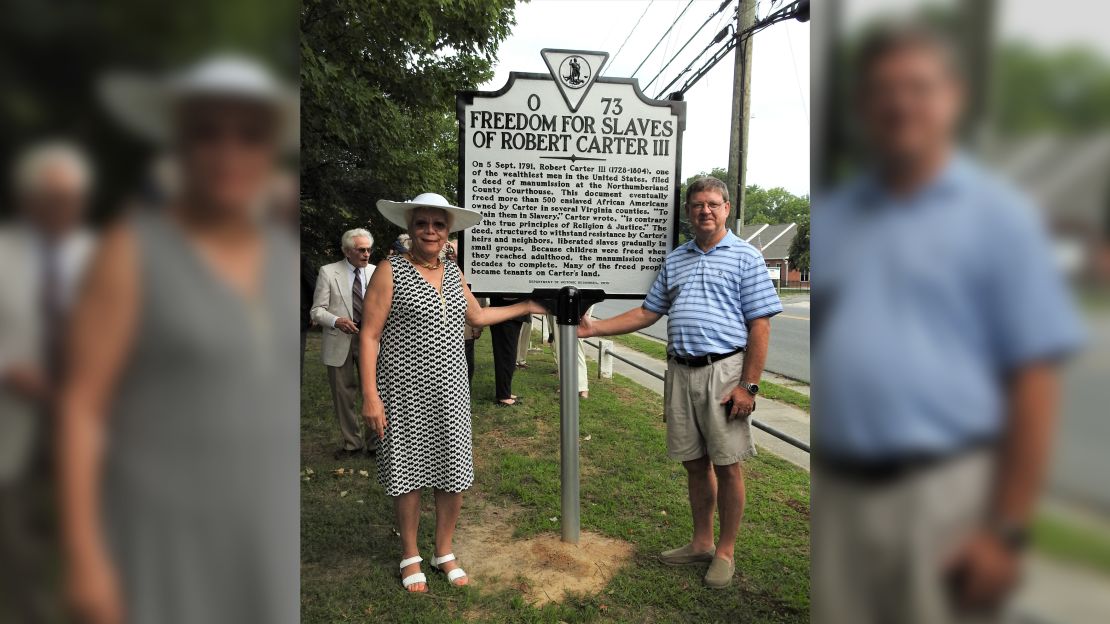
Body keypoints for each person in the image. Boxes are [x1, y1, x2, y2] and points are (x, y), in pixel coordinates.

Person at [811, 25, 1083, 623]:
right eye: (883, 88)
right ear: (862, 106)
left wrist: (1006, 530)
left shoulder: (1003, 219)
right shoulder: (836, 216)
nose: (900, 102)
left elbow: (1035, 380)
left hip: (946, 498)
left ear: (953, 99)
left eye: (919, 86)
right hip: (841, 500)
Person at [58, 55, 299, 624]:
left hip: (263, 526)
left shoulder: (283, 255)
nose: (229, 153)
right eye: (207, 134)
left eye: (249, 136)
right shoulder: (130, 250)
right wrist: (86, 559)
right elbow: (81, 404)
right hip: (162, 533)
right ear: (178, 145)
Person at [579, 176, 782, 589]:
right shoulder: (677, 259)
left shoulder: (746, 257)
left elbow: (759, 326)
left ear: (726, 208)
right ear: (688, 212)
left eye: (712, 204)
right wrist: (594, 329)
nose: (704, 211)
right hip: (680, 372)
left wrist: (750, 386)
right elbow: (648, 312)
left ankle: (725, 552)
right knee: (694, 463)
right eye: (696, 205)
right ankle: (701, 543)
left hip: (724, 373)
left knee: (727, 465)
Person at [362, 193, 545, 593]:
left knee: (453, 469)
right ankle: (410, 553)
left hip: (451, 391)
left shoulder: (451, 270)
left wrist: (528, 304)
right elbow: (370, 335)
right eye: (422, 223)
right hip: (403, 390)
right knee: (406, 471)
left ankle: (443, 550)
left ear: (448, 232)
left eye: (438, 225)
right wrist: (370, 396)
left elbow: (477, 316)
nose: (430, 230)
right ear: (409, 228)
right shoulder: (389, 270)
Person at [0, 140, 96, 623]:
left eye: (72, 196)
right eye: (52, 196)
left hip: (89, 413)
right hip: (12, 414)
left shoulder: (95, 252)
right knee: (17, 531)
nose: (63, 206)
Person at [311, 228, 376, 459]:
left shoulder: (377, 272)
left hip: (371, 340)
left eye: (369, 249)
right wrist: (337, 320)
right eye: (361, 250)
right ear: (347, 251)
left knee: (374, 392)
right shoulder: (328, 272)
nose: (367, 254)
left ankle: (376, 445)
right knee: (343, 394)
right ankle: (352, 444)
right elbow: (317, 311)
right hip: (340, 340)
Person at [489, 300, 528, 406]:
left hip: (510, 313)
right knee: (506, 355)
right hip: (505, 313)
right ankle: (503, 396)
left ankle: (505, 392)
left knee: (509, 355)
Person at [546, 309, 591, 398]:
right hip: (554, 306)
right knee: (560, 347)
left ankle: (582, 387)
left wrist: (583, 312)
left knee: (576, 346)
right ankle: (566, 384)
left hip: (574, 307)